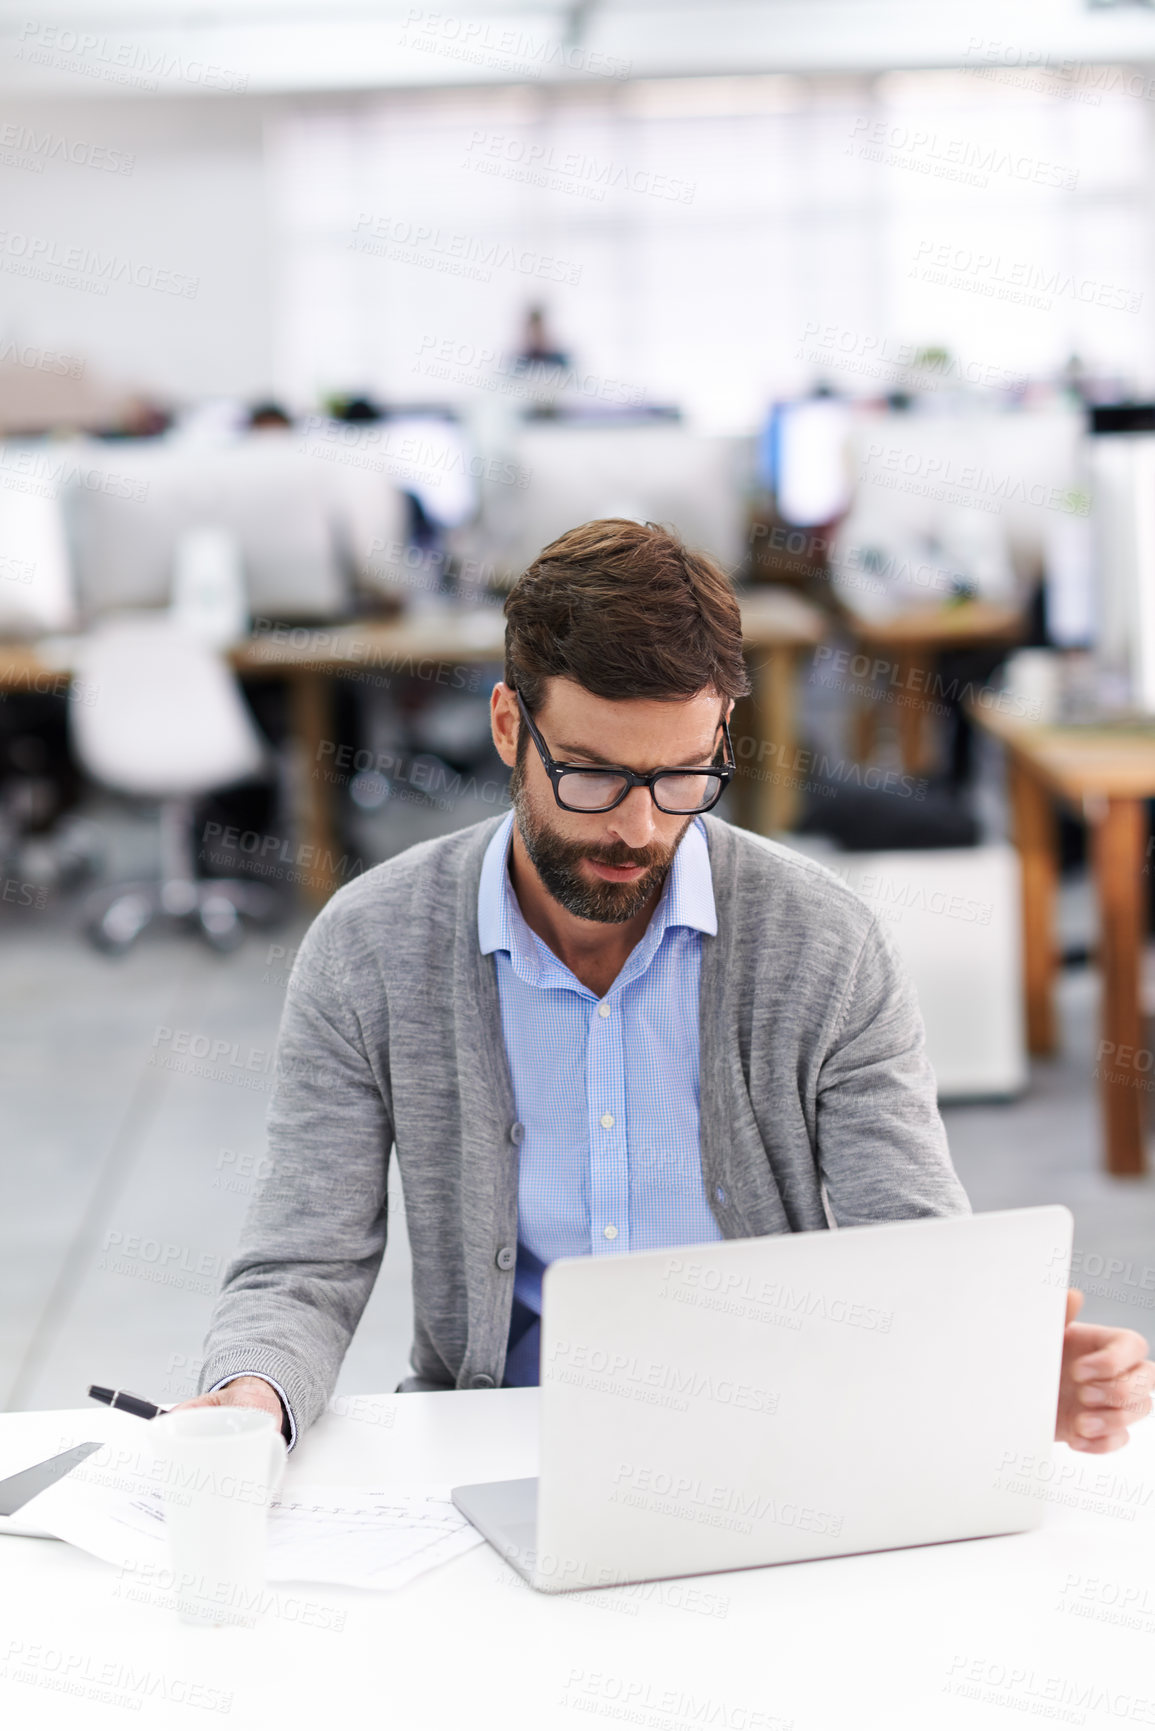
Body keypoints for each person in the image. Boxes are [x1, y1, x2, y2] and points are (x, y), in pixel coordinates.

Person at [175, 518, 1154, 1456]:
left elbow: (909, 1245)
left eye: (683, 776)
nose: (640, 827)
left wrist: (1007, 1371)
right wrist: (249, 1402)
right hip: (506, 1436)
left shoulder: (822, 943)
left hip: (778, 1439)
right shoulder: (370, 946)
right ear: (511, 726)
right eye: (593, 776)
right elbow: (305, 1262)